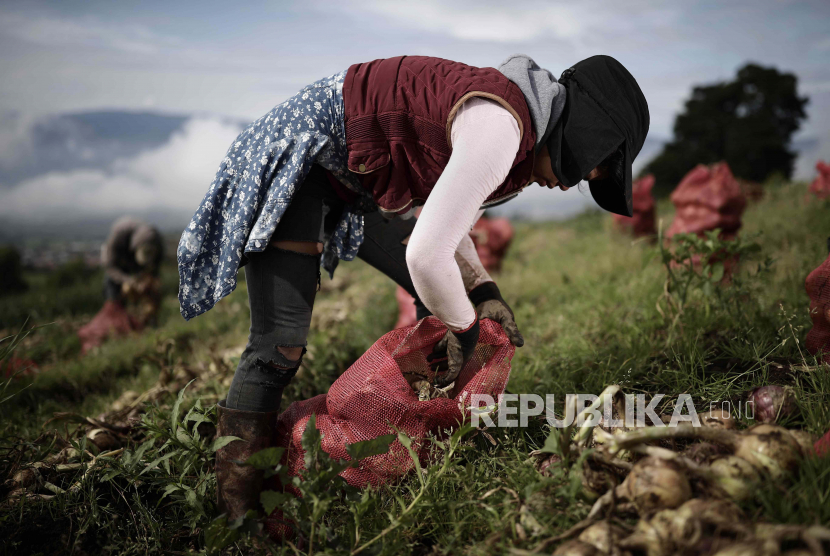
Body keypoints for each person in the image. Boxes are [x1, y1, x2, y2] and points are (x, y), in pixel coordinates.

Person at [177, 54, 649, 519]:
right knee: (277, 347)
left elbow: (446, 221)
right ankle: (238, 516)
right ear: (585, 133)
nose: (579, 182)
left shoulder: (519, 132)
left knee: (438, 298)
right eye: (596, 166)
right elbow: (425, 254)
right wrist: (465, 330)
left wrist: (483, 291)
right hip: (307, 161)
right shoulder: (502, 127)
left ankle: (422, 435)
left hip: (354, 182)